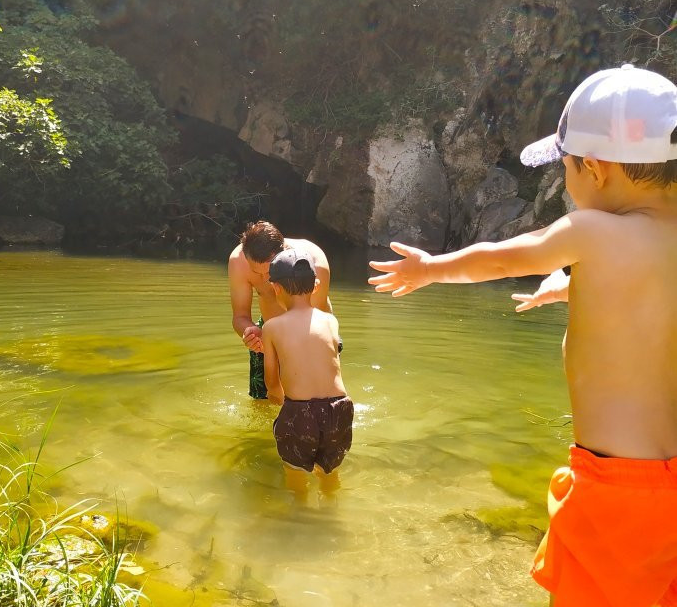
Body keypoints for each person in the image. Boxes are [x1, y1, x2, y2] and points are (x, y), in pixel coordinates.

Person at [368, 64, 677, 607]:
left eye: (566, 168)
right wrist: (570, 289)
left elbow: (504, 259)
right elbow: (649, 301)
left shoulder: (592, 231)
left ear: (595, 167)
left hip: (616, 488)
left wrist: (431, 268)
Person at [262, 247, 353, 501]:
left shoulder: (272, 327)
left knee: (296, 474)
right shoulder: (331, 321)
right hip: (339, 410)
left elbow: (271, 379)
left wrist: (277, 398)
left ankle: (300, 512)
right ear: (316, 286)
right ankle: (331, 506)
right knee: (329, 472)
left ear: (276, 288)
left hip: (300, 413)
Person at [228, 220, 335, 399]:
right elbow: (240, 316)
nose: (265, 280)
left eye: (269, 272)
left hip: (313, 333)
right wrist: (251, 334)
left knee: (318, 399)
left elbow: (313, 322)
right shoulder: (238, 262)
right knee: (263, 402)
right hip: (268, 332)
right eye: (257, 273)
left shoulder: (313, 264)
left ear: (285, 253)